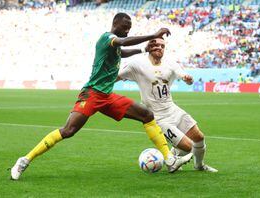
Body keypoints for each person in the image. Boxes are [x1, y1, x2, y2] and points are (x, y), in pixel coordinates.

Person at [10, 13, 192, 180]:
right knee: (68, 131)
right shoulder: (107, 38)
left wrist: (144, 49)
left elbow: (122, 51)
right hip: (92, 94)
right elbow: (121, 43)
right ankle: (25, 160)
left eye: (129, 28)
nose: (127, 30)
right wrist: (153, 35)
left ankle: (169, 159)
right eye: (125, 27)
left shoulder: (115, 45)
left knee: (147, 115)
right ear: (115, 24)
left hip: (106, 96)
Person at [118, 38, 218, 172]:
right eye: (156, 45)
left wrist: (188, 79)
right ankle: (172, 159)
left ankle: (199, 166)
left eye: (162, 46)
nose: (159, 48)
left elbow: (184, 76)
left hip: (172, 109)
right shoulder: (137, 65)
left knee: (199, 137)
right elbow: (116, 77)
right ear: (149, 47)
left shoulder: (170, 63)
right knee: (188, 147)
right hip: (158, 117)